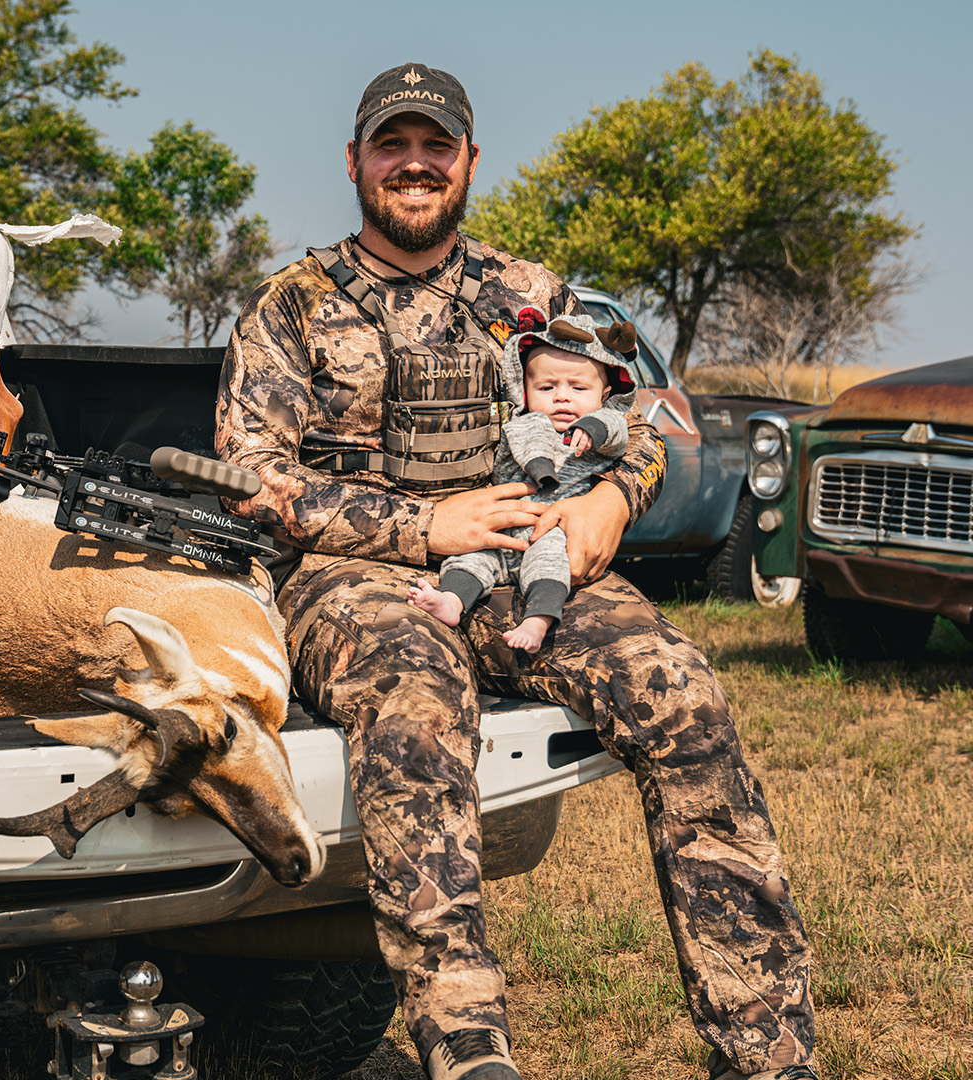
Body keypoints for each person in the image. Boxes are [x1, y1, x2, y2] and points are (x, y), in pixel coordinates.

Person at [215, 63, 816, 1080]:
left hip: (530, 562)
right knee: (415, 702)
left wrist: (612, 499)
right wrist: (425, 524)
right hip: (358, 575)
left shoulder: (531, 293)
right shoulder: (293, 305)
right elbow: (250, 480)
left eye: (435, 145)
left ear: (469, 162)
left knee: (681, 692)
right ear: (355, 161)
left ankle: (767, 1050)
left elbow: (642, 423)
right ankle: (466, 1044)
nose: (415, 164)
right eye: (393, 144)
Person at [408, 307, 637, 652]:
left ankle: (537, 621)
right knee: (470, 559)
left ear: (604, 394)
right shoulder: (525, 422)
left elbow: (617, 429)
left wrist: (591, 428)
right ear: (525, 391)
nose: (562, 396)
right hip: (503, 526)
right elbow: (528, 440)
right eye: (546, 387)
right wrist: (541, 468)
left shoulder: (602, 423)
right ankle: (451, 601)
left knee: (552, 564)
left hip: (553, 528)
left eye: (578, 387)